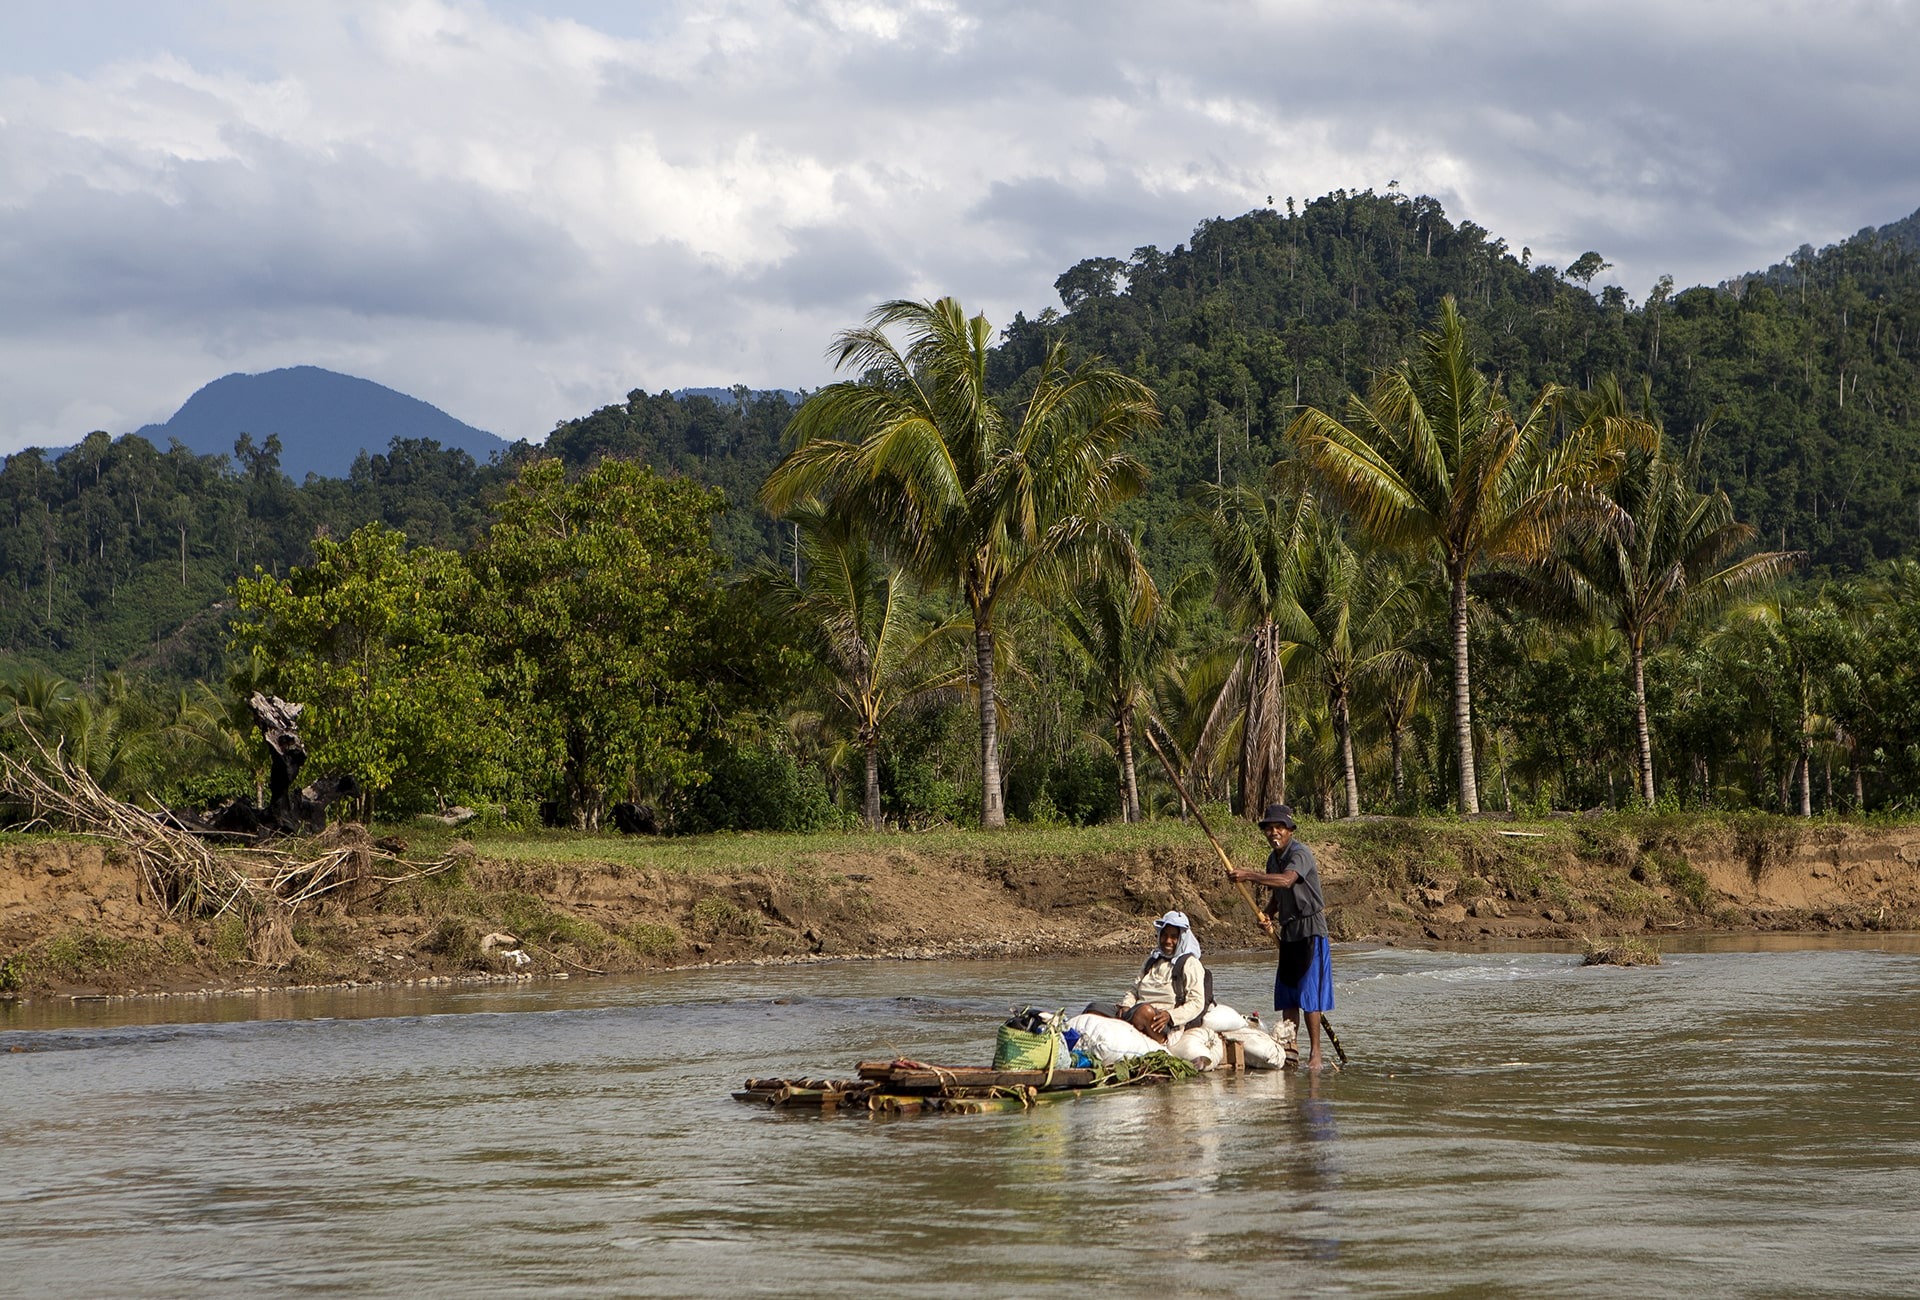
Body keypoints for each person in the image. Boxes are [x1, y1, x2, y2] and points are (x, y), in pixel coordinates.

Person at [1231, 803, 1335, 1070]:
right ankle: (1291, 1047)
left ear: (1289, 830)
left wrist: (1249, 875)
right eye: (1269, 828)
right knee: (1289, 992)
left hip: (1310, 929)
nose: (1273, 832)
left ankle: (1315, 1053)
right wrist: (1268, 913)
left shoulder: (1300, 854)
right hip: (1289, 929)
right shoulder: (1272, 858)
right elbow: (1279, 893)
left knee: (1309, 995)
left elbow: (1287, 881)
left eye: (1279, 827)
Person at [1108, 910, 1214, 1042]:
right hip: (1136, 1011)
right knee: (1094, 1008)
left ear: (1182, 938)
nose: (1168, 941)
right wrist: (1126, 1006)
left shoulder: (1190, 964)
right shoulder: (1152, 960)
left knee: (1144, 1012)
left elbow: (1196, 1002)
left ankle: (1154, 1040)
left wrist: (1170, 1015)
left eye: (1174, 937)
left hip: (1164, 1023)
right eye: (1165, 935)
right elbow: (1133, 990)